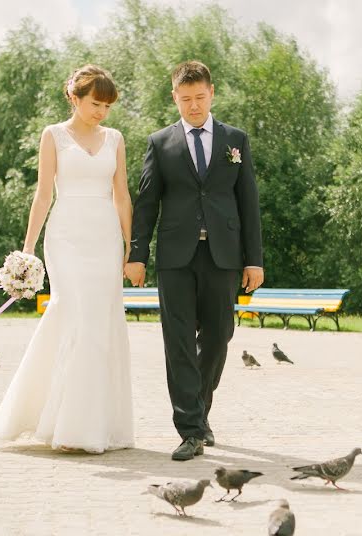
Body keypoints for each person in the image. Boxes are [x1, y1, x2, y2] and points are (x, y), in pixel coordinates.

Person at [0, 65, 134, 454]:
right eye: (95, 103)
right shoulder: (53, 135)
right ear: (75, 97)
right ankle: (58, 419)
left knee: (100, 323)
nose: (101, 111)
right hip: (65, 236)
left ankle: (88, 425)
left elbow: (121, 196)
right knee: (74, 313)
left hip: (105, 238)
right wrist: (28, 248)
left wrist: (131, 245)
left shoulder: (116, 139)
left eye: (106, 105)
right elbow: (42, 194)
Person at [125, 60, 264, 461]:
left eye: (200, 98)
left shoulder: (235, 140)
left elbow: (248, 203)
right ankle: (190, 430)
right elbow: (147, 203)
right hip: (175, 259)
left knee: (219, 337)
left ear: (212, 93)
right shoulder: (160, 143)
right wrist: (137, 254)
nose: (193, 106)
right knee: (179, 344)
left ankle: (199, 412)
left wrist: (253, 260)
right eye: (185, 99)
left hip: (224, 256)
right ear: (174, 97)